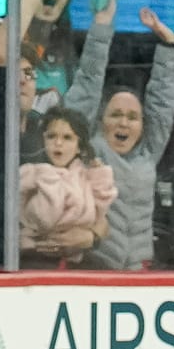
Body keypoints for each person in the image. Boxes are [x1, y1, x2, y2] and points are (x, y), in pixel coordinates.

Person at [63, 2, 174, 269]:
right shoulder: (90, 148)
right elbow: (88, 81)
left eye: (132, 117)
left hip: (137, 270)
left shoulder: (148, 154)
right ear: (100, 120)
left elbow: (162, 104)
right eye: (115, 114)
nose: (123, 123)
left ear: (142, 125)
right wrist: (102, 26)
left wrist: (168, 44)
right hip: (91, 268)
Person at [19, 104, 116, 260]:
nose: (58, 143)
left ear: (79, 147)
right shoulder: (33, 174)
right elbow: (45, 218)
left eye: (67, 138)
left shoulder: (84, 176)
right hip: (35, 257)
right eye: (51, 136)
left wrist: (99, 175)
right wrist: (47, 178)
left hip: (78, 258)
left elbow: (101, 210)